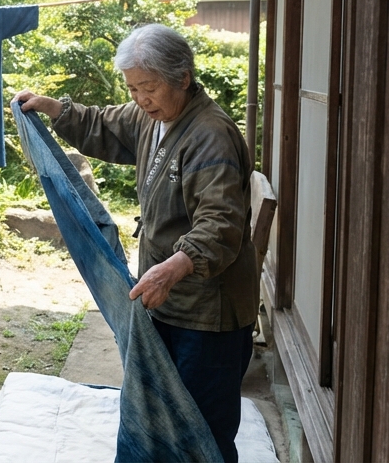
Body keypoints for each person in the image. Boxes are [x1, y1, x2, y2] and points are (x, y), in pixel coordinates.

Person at [14, 23, 257, 462]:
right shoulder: (152, 117)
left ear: (183, 78)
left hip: (207, 309)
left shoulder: (210, 135)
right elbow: (104, 124)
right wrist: (54, 109)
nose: (141, 100)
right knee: (157, 413)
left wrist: (173, 267)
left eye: (149, 88)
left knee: (200, 428)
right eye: (132, 89)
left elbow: (221, 223)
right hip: (162, 293)